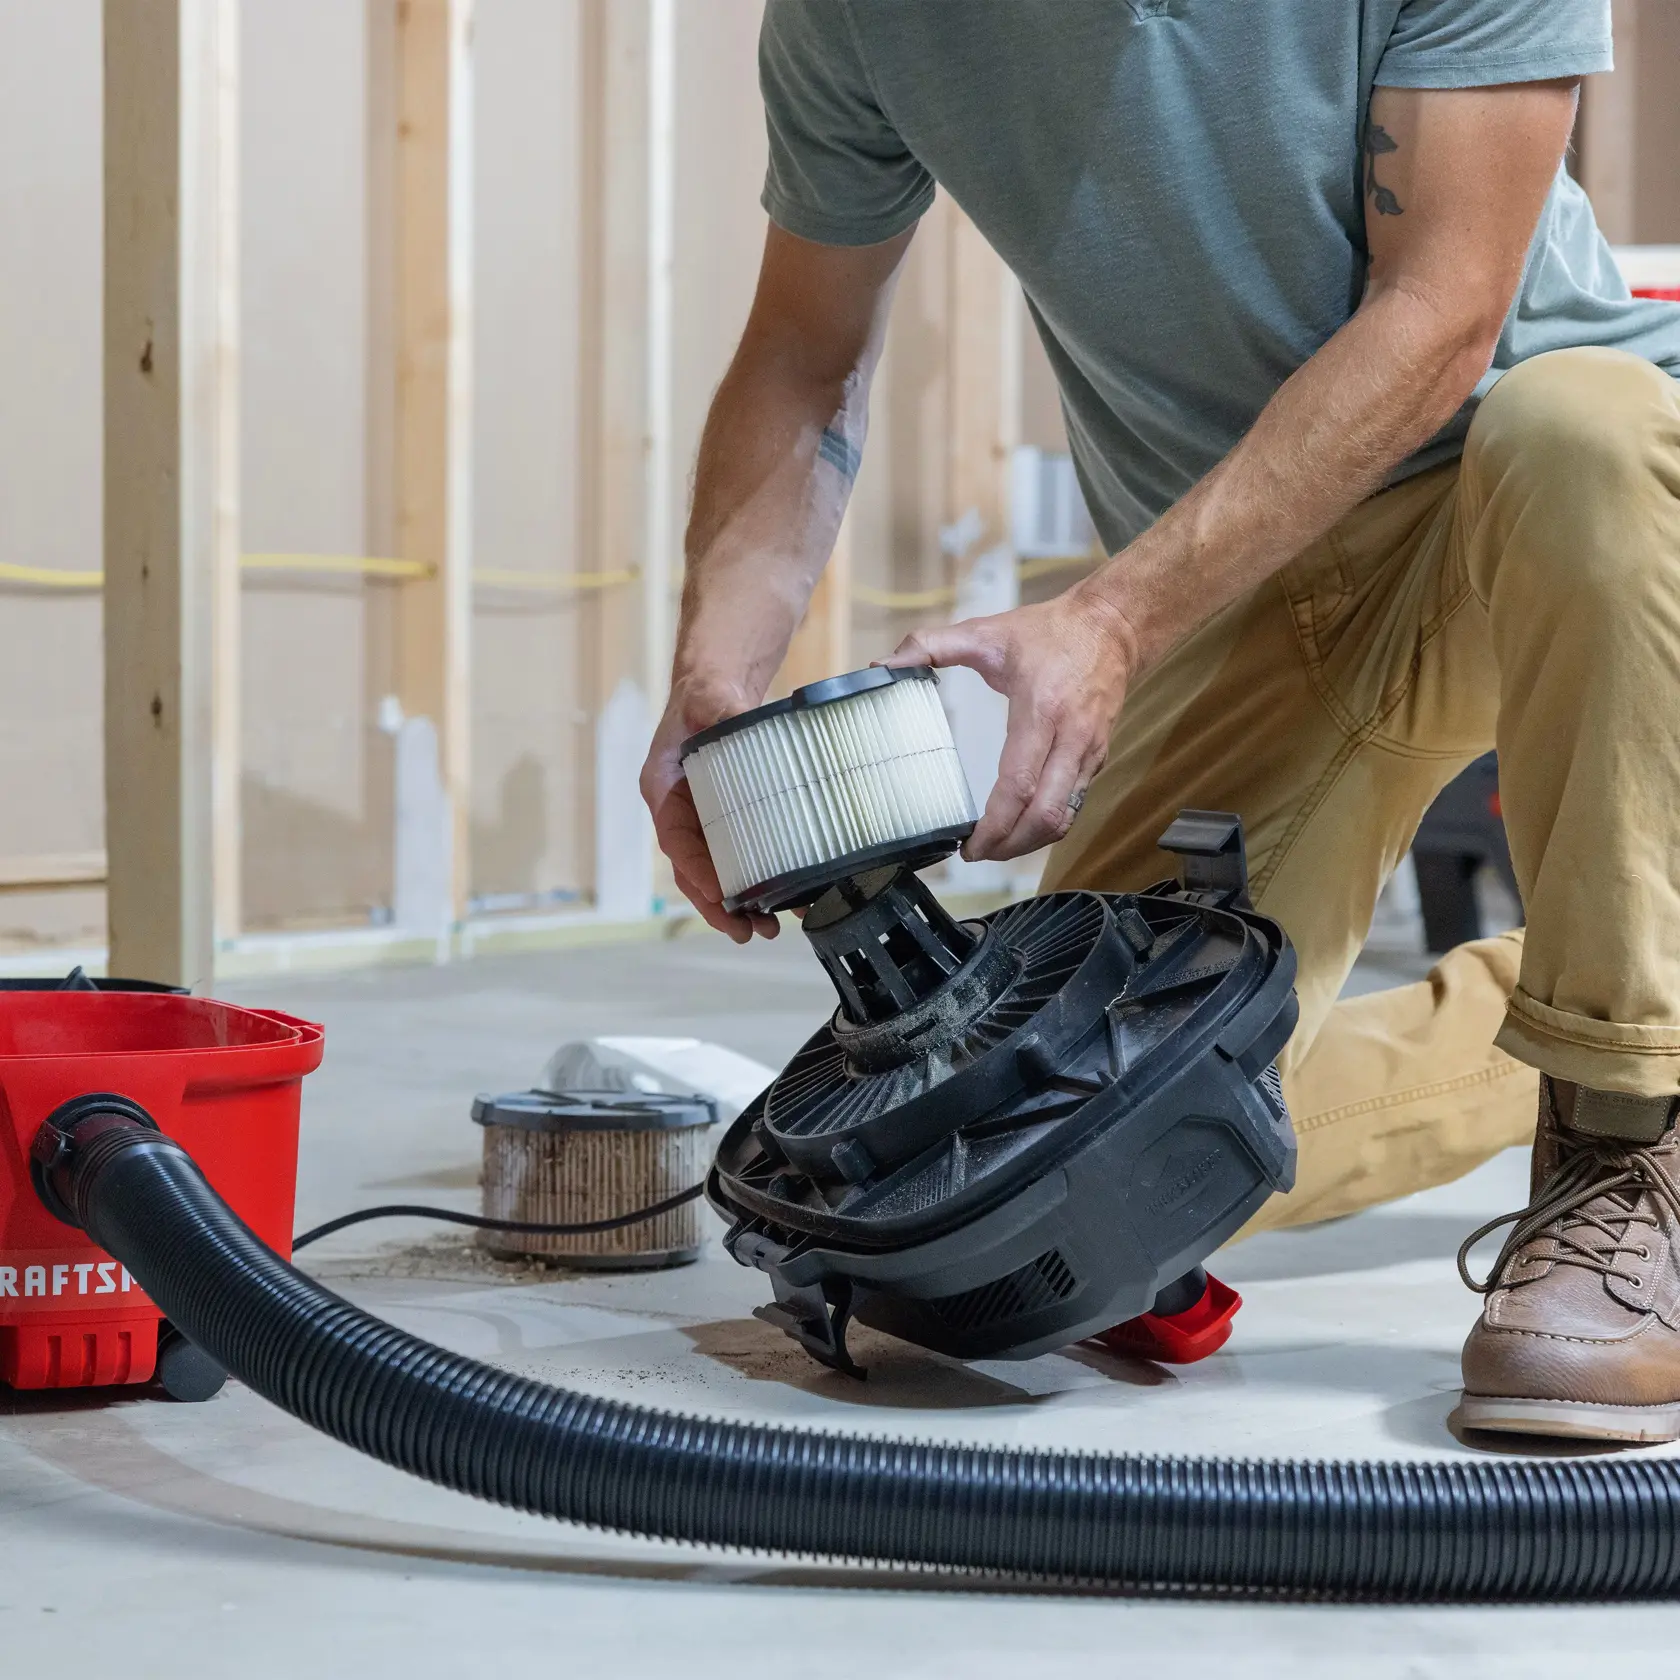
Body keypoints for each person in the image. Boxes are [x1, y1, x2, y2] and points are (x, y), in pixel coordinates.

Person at [640, 1, 1680, 1442]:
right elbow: (804, 352)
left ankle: (1627, 1128)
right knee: (1063, 1180)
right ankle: (1634, 1018)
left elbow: (1444, 316)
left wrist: (1108, 623)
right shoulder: (860, 18)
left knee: (1583, 424)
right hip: (1244, 584)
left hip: (1545, 516)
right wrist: (712, 678)